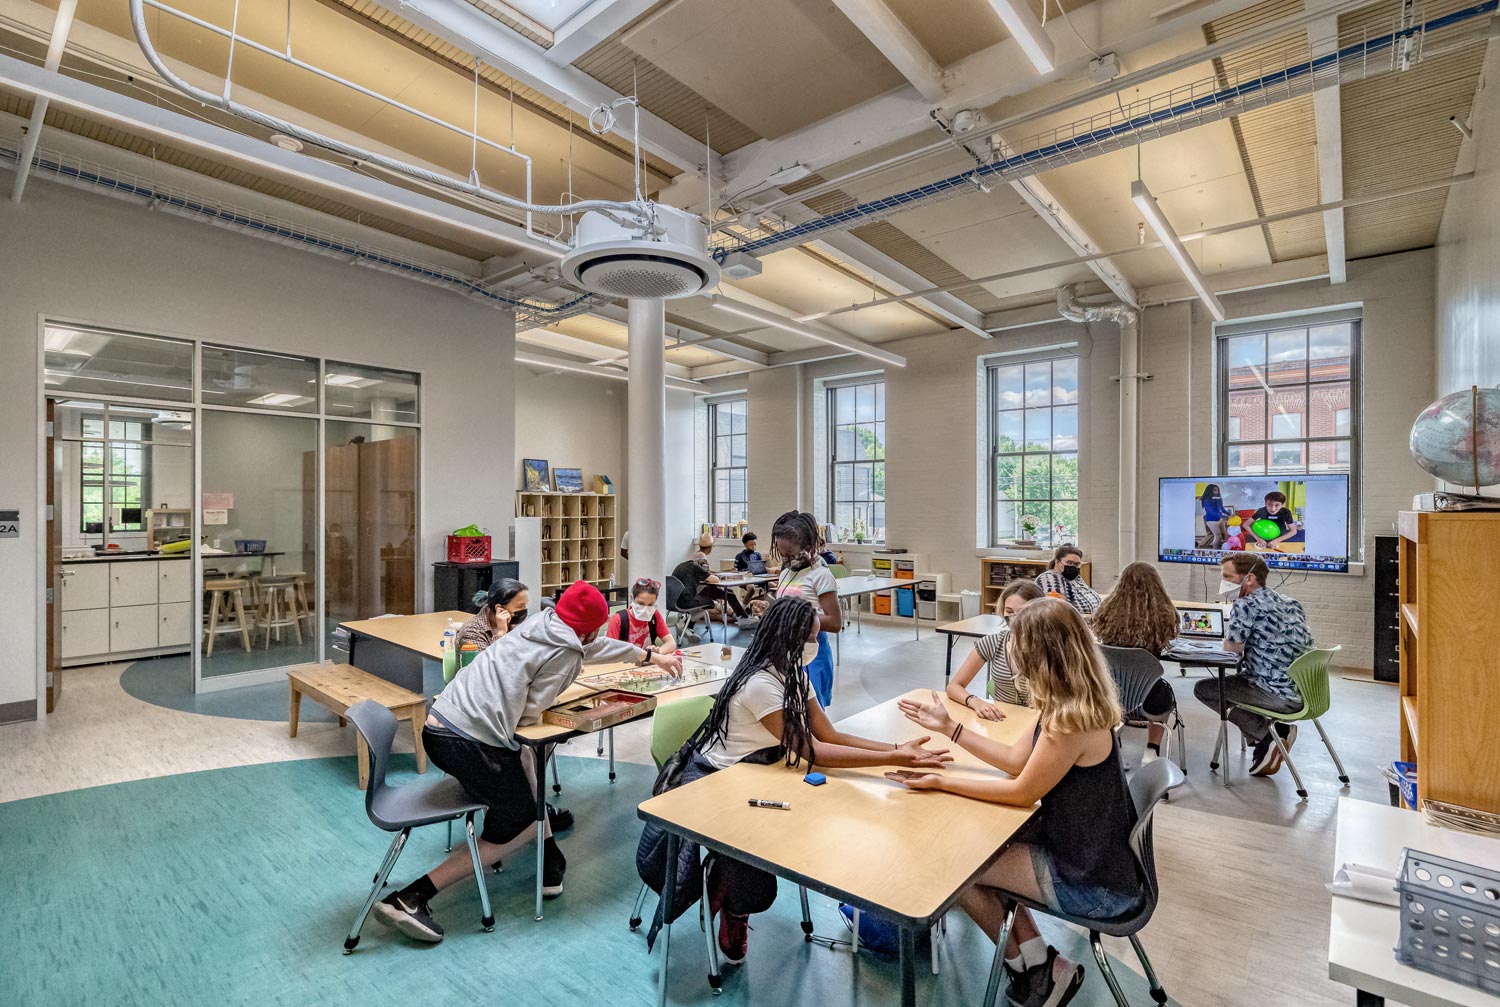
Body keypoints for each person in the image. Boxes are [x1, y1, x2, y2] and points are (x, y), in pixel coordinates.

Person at [637, 597, 953, 964]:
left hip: (759, 772)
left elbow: (829, 734)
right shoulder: (760, 683)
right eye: (811, 638)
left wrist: (896, 748)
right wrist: (893, 758)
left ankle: (729, 886)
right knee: (755, 857)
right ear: (787, 637)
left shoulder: (794, 673)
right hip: (717, 781)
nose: (816, 645)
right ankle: (734, 906)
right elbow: (812, 751)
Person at [374, 581, 684, 944]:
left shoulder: (543, 623)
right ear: (589, 630)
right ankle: (412, 897)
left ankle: (550, 859)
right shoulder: (567, 654)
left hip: (442, 722)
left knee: (525, 761)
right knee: (525, 818)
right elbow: (529, 713)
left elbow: (592, 647)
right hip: (467, 741)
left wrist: (651, 658)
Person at [896, 599, 1144, 1007]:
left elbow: (1021, 791)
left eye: (1016, 643)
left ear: (1038, 655)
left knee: (954, 868)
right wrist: (950, 728)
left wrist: (942, 780)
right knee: (979, 849)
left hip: (1092, 882)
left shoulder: (1069, 720)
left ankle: (1025, 968)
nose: (1009, 650)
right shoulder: (1071, 701)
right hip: (1096, 858)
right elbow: (1016, 761)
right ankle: (1042, 964)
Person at [1195, 553, 1312, 777]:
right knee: (1237, 683)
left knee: (1205, 689)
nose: (1224, 582)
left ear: (1249, 578)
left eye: (1228, 577)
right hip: (1302, 691)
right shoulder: (1291, 603)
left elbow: (1232, 650)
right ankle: (1263, 742)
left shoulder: (1245, 605)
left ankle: (1271, 735)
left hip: (1274, 693)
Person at [1090, 562, 1180, 764]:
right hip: (1149, 696)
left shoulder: (1105, 610)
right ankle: (1152, 750)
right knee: (1165, 692)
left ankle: (1113, 749)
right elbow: (1168, 643)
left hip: (1109, 692)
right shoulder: (1166, 614)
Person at [771, 510, 842, 707]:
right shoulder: (786, 573)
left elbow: (835, 623)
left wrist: (796, 617)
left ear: (809, 548)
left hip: (812, 653)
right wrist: (770, 610)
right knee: (792, 708)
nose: (786, 560)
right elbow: (785, 607)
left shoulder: (820, 575)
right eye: (782, 555)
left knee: (812, 710)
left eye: (791, 554)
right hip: (786, 650)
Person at [947, 579, 1044, 714]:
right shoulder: (994, 642)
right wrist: (974, 701)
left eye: (1022, 612)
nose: (1014, 617)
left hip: (1042, 720)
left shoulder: (1052, 646)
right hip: (1002, 719)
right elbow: (954, 686)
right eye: (1009, 611)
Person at [603, 578, 677, 653]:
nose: (645, 609)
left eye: (650, 605)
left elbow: (671, 643)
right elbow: (609, 652)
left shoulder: (654, 616)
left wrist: (657, 652)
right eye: (641, 603)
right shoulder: (618, 619)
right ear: (631, 598)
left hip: (648, 659)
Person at [672, 551, 748, 624]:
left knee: (724, 592)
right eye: (704, 562)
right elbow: (715, 580)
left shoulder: (680, 566)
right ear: (699, 561)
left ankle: (740, 617)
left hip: (674, 601)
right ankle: (743, 619)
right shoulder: (694, 566)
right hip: (687, 601)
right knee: (714, 601)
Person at [455, 578, 528, 652]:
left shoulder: (515, 623)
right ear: (500, 608)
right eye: (520, 606)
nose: (524, 609)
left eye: (525, 604)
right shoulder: (471, 632)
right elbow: (485, 659)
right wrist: (501, 634)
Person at [1033, 544, 1101, 614]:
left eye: (1077, 564)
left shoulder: (1076, 578)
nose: (1073, 567)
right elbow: (1059, 611)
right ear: (1057, 562)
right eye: (1069, 563)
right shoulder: (1049, 578)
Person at [1200, 483, 1228, 548]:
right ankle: (1215, 550)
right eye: (1214, 490)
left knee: (1223, 534)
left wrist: (1229, 514)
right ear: (1210, 491)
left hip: (1219, 520)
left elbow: (1222, 509)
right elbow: (1210, 512)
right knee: (1217, 536)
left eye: (1217, 490)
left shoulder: (1218, 499)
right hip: (1211, 521)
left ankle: (1221, 547)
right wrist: (1223, 516)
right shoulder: (1207, 500)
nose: (1216, 492)